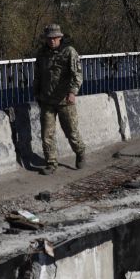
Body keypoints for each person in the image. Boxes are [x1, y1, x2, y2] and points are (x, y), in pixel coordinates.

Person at [33, 24, 86, 174]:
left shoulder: (69, 52)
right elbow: (37, 75)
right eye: (49, 38)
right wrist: (36, 92)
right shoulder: (42, 53)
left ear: (60, 37)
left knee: (71, 132)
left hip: (64, 101)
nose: (51, 41)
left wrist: (72, 92)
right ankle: (51, 163)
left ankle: (80, 152)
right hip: (47, 100)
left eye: (54, 38)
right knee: (46, 135)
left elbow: (77, 74)